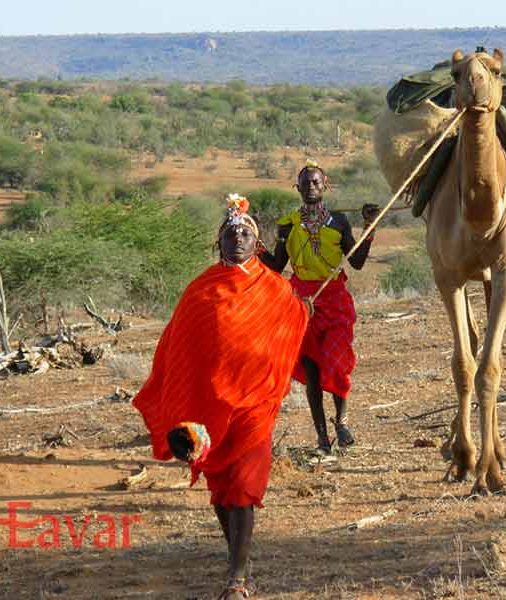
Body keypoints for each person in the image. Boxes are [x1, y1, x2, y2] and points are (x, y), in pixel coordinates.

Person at [133, 194, 310, 600]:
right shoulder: (201, 289)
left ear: (258, 243)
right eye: (230, 233)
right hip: (208, 409)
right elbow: (177, 346)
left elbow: (292, 323)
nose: (238, 239)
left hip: (254, 404)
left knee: (245, 484)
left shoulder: (275, 289)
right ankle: (237, 557)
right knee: (219, 488)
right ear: (220, 242)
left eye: (245, 233)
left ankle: (237, 577)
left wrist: (302, 312)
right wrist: (183, 400)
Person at [261, 160, 380, 455]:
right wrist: (253, 246)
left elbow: (358, 261)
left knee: (338, 361)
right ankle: (322, 438)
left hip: (334, 297)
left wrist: (369, 226)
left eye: (316, 182)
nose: (311, 186)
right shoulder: (287, 224)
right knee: (312, 370)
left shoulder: (339, 221)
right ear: (297, 188)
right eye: (306, 182)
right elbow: (277, 266)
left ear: (325, 185)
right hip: (301, 302)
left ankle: (341, 420)